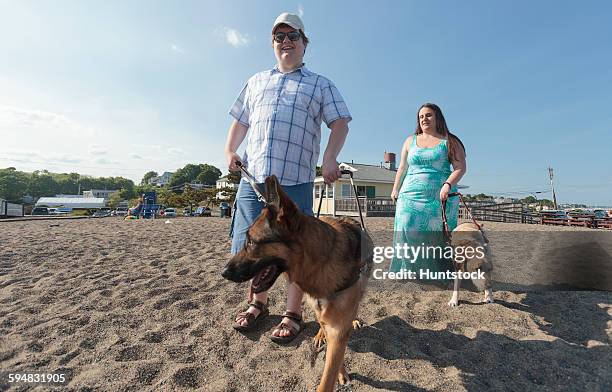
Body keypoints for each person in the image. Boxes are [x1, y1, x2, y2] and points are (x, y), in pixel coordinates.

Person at [224, 12, 351, 343]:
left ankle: (292, 313)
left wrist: (329, 158)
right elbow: (240, 121)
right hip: (253, 181)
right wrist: (229, 151)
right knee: (253, 247)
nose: (286, 42)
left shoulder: (320, 84)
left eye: (292, 36)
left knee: (296, 249)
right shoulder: (255, 81)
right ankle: (257, 305)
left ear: (304, 43)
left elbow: (340, 123)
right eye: (279, 37)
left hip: (294, 183)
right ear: (273, 44)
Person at [390, 103, 466, 282]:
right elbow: (402, 167)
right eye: (421, 116)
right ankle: (407, 269)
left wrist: (448, 184)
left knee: (436, 234)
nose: (424, 119)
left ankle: (438, 272)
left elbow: (460, 167)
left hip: (439, 197)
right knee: (406, 228)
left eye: (428, 115)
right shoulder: (410, 140)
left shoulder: (450, 141)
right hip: (409, 195)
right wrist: (395, 188)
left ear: (437, 117)